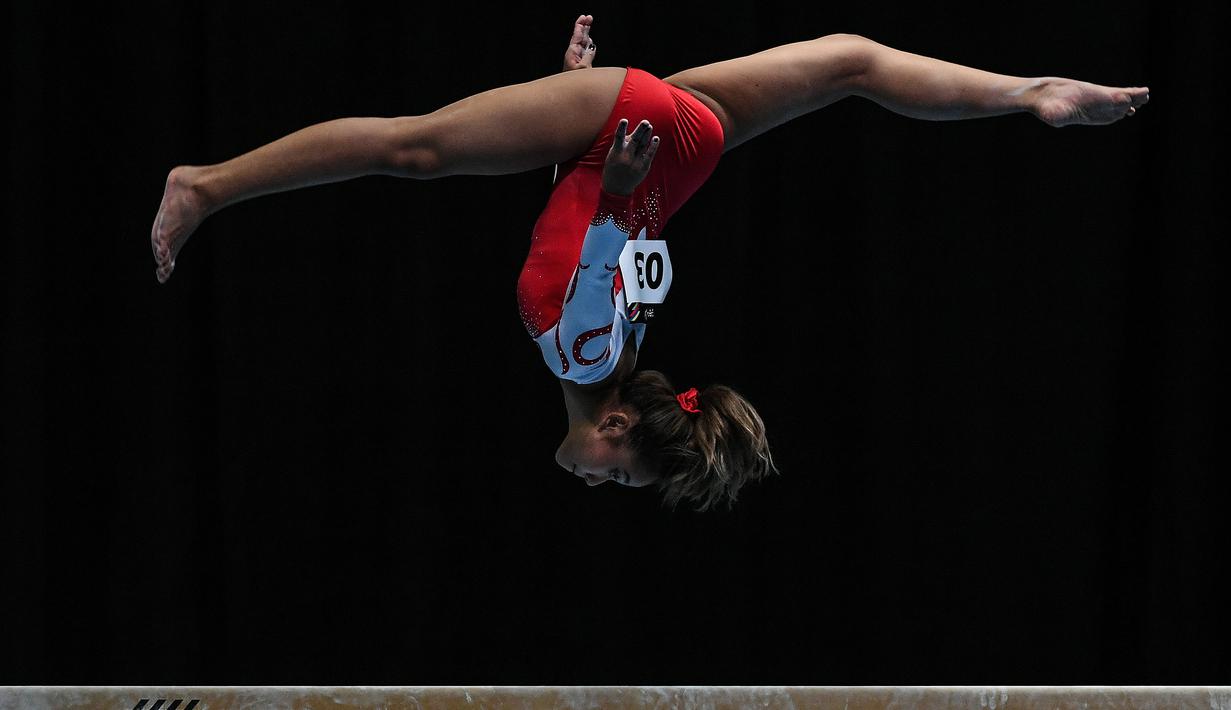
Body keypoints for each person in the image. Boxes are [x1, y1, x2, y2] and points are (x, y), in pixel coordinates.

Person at [149, 15, 1149, 511]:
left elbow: (583, 231)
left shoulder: (619, 342)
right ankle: (206, 184)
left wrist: (571, 108)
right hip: (638, 146)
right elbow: (589, 258)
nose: (599, 481)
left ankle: (1031, 91)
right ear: (620, 425)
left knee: (850, 62)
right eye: (619, 475)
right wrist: (609, 151)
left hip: (672, 147)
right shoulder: (586, 360)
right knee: (410, 148)